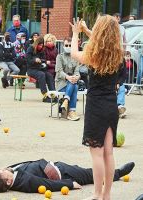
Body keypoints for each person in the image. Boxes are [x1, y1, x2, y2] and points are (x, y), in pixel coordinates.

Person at [70, 15, 124, 200]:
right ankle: (107, 195)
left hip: (96, 107)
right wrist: (87, 31)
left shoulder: (95, 55)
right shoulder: (117, 54)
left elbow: (74, 54)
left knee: (97, 155)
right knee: (108, 153)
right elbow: (103, 42)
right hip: (111, 106)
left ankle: (97, 194)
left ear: (99, 32)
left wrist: (76, 34)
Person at [0, 158, 135, 193]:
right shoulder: (25, 181)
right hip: (64, 173)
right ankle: (118, 173)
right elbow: (46, 185)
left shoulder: (12, 174)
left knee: (87, 171)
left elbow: (22, 165)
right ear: (7, 182)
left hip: (58, 166)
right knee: (90, 174)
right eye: (2, 172)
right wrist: (69, 184)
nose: (3, 169)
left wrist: (8, 169)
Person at [55, 37, 81, 121]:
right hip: (61, 82)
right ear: (63, 45)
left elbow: (77, 71)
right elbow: (59, 71)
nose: (68, 47)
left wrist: (77, 76)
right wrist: (68, 77)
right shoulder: (59, 57)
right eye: (66, 45)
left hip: (72, 82)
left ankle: (66, 101)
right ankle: (71, 112)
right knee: (75, 86)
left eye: (70, 45)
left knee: (74, 84)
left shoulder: (76, 58)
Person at [26, 36, 56, 103]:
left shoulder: (42, 50)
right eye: (39, 45)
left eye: (42, 45)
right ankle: (45, 96)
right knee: (41, 75)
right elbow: (28, 60)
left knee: (49, 75)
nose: (40, 46)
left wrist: (43, 61)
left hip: (40, 68)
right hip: (31, 69)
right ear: (36, 44)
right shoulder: (30, 48)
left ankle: (53, 95)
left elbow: (44, 60)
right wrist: (34, 60)